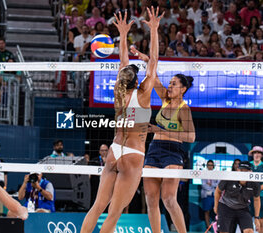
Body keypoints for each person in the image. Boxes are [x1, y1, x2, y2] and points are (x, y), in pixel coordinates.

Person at [80, 7, 163, 233]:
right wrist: (154, 29)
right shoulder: (143, 94)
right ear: (138, 80)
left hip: (115, 150)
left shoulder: (119, 92)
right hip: (134, 155)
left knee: (97, 207)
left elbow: (123, 61)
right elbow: (153, 60)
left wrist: (123, 34)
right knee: (114, 213)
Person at [142, 26, 196, 232]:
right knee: (151, 198)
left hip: (174, 151)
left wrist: (159, 130)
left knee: (169, 199)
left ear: (183, 88)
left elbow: (191, 137)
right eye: (170, 82)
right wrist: (148, 60)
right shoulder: (164, 98)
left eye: (174, 83)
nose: (170, 85)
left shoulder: (184, 109)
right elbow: (153, 75)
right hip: (154, 149)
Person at [214, 161, 261, 233]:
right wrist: (216, 206)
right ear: (238, 170)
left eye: (246, 171)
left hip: (243, 208)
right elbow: (218, 191)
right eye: (242, 170)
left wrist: (257, 217)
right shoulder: (229, 178)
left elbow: (256, 200)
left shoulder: (255, 184)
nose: (244, 173)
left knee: (249, 231)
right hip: (226, 207)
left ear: (251, 172)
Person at [201, 160, 219, 229]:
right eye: (209, 165)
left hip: (215, 195)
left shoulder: (217, 174)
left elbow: (218, 185)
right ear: (207, 166)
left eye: (211, 165)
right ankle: (208, 227)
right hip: (206, 195)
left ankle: (217, 228)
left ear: (213, 166)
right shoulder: (204, 174)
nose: (210, 166)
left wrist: (211, 184)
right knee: (207, 211)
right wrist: (212, 186)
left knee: (217, 211)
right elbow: (203, 185)